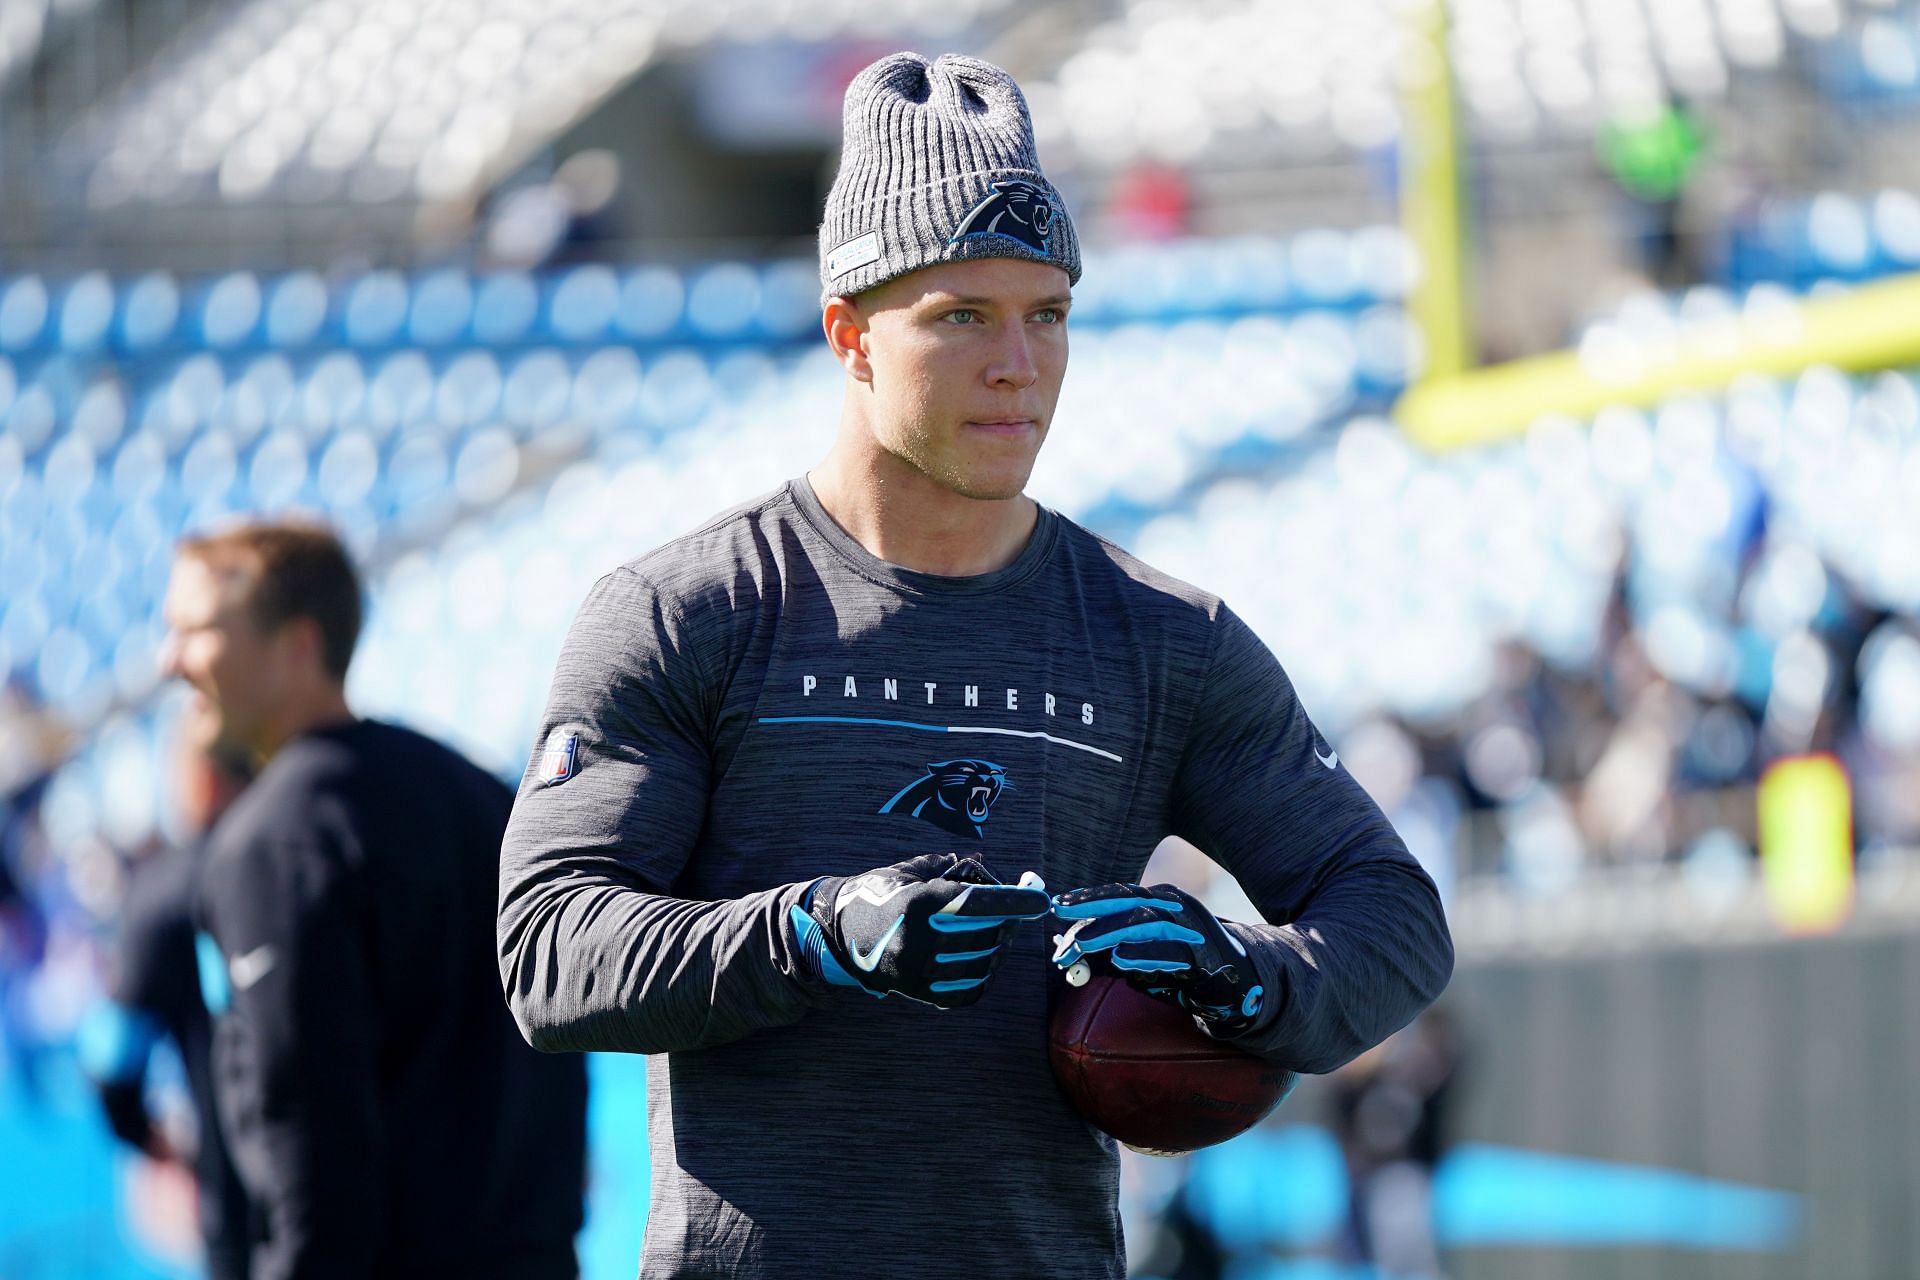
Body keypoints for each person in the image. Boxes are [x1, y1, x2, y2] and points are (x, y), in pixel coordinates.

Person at [498, 51, 1453, 1280]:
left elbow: (1394, 915)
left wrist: (1241, 973)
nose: (1021, 363)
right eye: (961, 316)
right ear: (849, 334)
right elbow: (550, 948)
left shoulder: (1166, 638)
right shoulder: (690, 609)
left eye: (1047, 312)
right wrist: (816, 935)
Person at [159, 519, 588, 1280]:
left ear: (296, 647)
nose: (170, 663)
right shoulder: (481, 794)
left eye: (196, 632)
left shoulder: (272, 844)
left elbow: (307, 1142)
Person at [81, 701, 254, 1279]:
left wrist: (155, 1140)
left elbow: (109, 1061)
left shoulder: (161, 898)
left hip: (235, 1191)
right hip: (358, 1177)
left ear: (198, 777)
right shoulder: (317, 854)